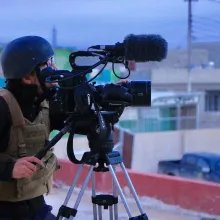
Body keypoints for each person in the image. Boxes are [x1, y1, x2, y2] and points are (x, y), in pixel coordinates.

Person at [0, 36, 68, 220]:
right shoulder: (3, 106)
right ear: (27, 76)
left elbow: (74, 121)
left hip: (35, 206)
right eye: (45, 64)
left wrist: (105, 101)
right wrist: (9, 169)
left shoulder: (42, 103)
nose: (53, 69)